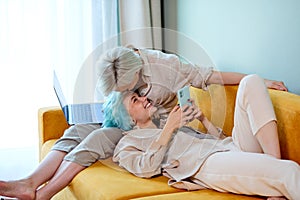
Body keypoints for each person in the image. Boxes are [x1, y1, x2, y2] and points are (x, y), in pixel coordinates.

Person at [0, 46, 289, 199]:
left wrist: (263, 83)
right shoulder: (121, 65)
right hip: (142, 128)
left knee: (97, 139)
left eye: (132, 92)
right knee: (78, 129)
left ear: (138, 75)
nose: (132, 95)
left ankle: (45, 193)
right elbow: (147, 161)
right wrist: (130, 112)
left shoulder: (168, 69)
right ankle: (32, 183)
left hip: (174, 133)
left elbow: (211, 76)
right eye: (124, 94)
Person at [107, 74, 300, 199]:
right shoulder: (126, 144)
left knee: (251, 82)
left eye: (139, 95)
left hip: (228, 147)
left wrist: (203, 119)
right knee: (289, 171)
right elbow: (144, 168)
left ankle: (273, 168)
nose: (144, 98)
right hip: (203, 164)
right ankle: (276, 174)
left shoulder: (164, 121)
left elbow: (221, 140)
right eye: (135, 100)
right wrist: (170, 129)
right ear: (128, 119)